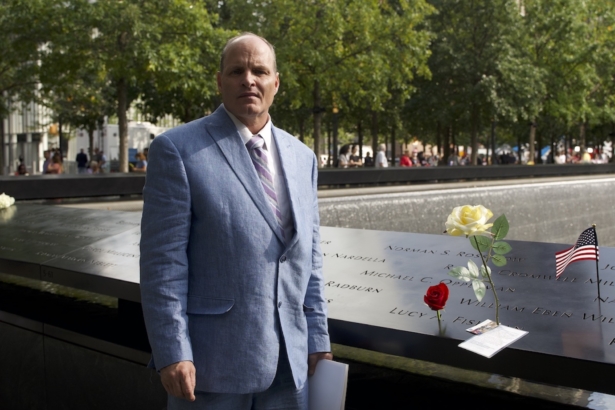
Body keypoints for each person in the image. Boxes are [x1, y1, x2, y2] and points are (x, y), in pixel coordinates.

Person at [140, 33, 331, 410]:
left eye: (260, 71)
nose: (249, 79)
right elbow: (163, 263)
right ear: (219, 81)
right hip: (211, 369)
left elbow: (311, 257)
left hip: (290, 368)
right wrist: (172, 350)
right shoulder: (177, 149)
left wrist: (318, 339)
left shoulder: (302, 157)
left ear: (276, 83)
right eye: (237, 70)